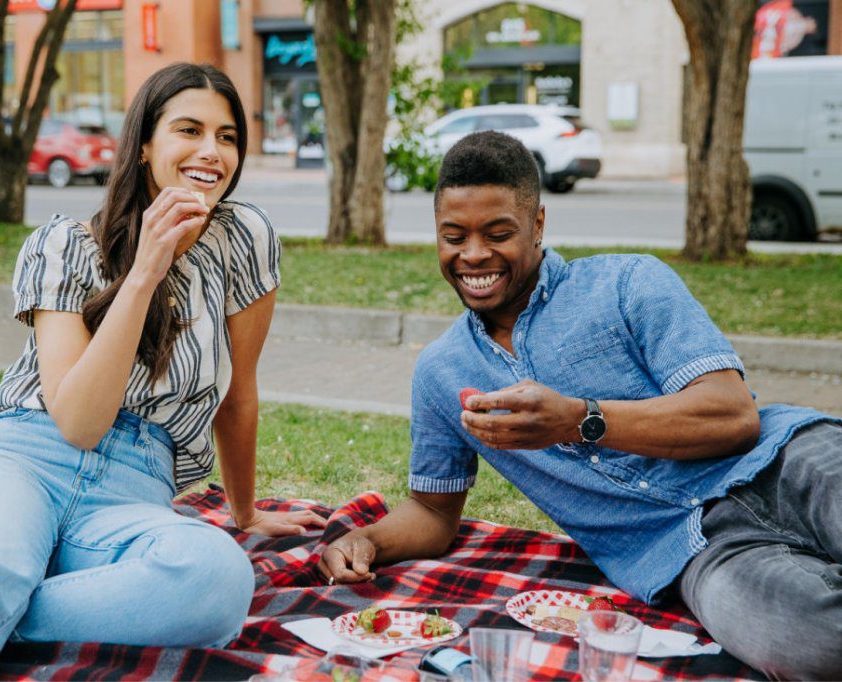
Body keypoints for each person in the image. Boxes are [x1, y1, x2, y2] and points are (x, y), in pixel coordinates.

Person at [0, 62, 324, 680]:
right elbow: (80, 421)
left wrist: (244, 513)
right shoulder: (62, 245)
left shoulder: (244, 237)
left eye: (227, 137)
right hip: (25, 459)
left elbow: (238, 391)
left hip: (133, 490)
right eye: (188, 130)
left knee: (215, 579)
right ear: (143, 145)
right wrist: (144, 271)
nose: (211, 152)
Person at [317, 131, 842, 680]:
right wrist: (367, 539)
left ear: (538, 224)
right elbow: (432, 512)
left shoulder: (627, 282)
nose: (473, 255)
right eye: (453, 236)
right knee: (817, 646)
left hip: (788, 462)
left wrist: (578, 419)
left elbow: (733, 417)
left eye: (498, 234)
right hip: (685, 550)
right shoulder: (442, 372)